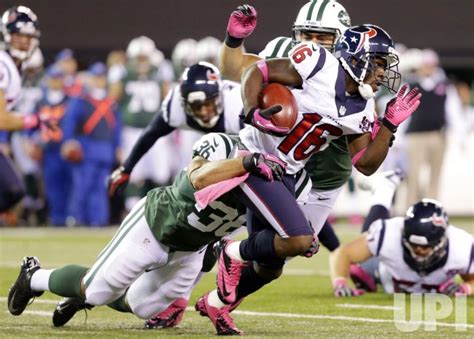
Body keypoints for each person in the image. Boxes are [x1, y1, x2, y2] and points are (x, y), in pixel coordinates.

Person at [196, 22, 421, 335]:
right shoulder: (319, 64)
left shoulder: (363, 107)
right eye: (379, 64)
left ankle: (216, 303)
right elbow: (256, 72)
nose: (382, 73)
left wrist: (388, 127)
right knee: (301, 241)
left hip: (285, 171)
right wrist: (250, 111)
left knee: (271, 269)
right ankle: (232, 252)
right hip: (255, 157)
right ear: (356, 56)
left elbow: (365, 164)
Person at [7, 132, 285, 333]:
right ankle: (33, 277)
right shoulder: (223, 145)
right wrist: (245, 164)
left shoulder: (282, 178)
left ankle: (83, 295)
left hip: (191, 249)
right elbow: (197, 178)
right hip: (156, 224)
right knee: (96, 290)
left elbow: (224, 238)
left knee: (142, 306)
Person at [218, 2, 352, 274]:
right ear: (296, 35)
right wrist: (234, 41)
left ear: (341, 39)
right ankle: (218, 296)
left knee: (283, 255)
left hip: (326, 171)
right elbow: (236, 71)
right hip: (279, 162)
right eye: (307, 35)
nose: (313, 43)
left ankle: (225, 274)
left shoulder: (350, 71)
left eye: (323, 37)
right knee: (272, 257)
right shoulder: (285, 52)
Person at [107, 62, 244, 197]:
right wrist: (126, 168)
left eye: (208, 104)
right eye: (196, 106)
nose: (203, 112)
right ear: (184, 103)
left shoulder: (238, 105)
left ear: (220, 98)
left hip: (242, 143)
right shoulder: (175, 106)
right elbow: (151, 134)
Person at [331, 174, 473, 296]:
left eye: (425, 247)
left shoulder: (461, 246)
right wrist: (340, 283)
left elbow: (471, 280)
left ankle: (384, 188)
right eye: (414, 245)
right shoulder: (390, 233)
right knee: (364, 257)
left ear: (441, 240)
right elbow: (345, 253)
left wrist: (465, 288)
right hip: (386, 272)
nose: (419, 251)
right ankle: (384, 188)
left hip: (405, 284)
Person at [61, 62, 122, 226]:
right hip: (86, 148)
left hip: (105, 150)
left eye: (102, 77)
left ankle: (98, 219)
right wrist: (69, 142)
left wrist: (118, 147)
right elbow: (69, 123)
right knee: (82, 186)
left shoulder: (111, 103)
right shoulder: (81, 100)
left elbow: (116, 128)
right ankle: (75, 217)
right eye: (96, 77)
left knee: (100, 189)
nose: (99, 81)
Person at [404, 49, 465, 207]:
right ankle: (411, 208)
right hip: (415, 136)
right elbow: (402, 112)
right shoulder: (411, 85)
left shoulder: (444, 85)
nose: (428, 68)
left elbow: (453, 111)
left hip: (437, 135)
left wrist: (460, 136)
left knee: (435, 175)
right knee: (413, 175)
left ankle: (433, 208)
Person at [0, 6, 44, 213]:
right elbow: (2, 120)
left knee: (13, 191)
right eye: (18, 35)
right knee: (11, 190)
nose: (24, 41)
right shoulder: (2, 65)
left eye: (28, 36)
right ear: (7, 34)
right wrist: (35, 120)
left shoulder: (11, 66)